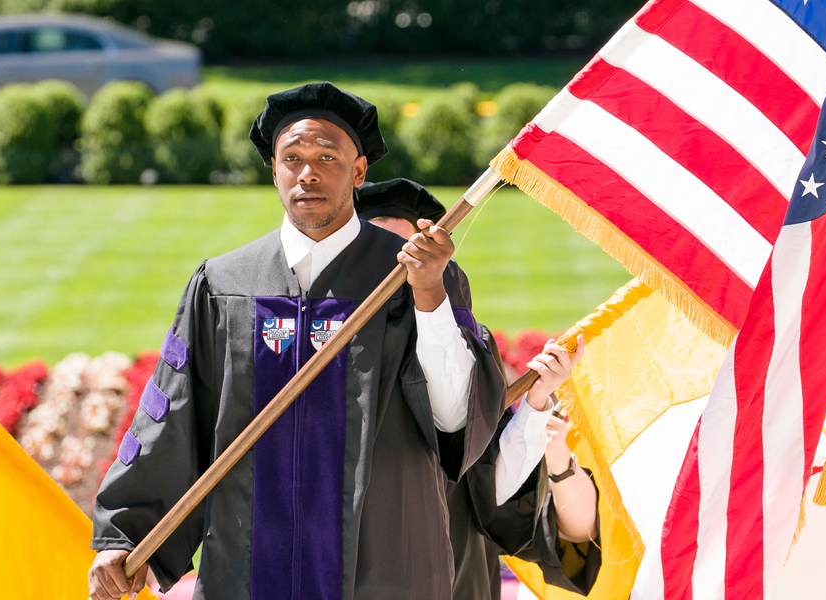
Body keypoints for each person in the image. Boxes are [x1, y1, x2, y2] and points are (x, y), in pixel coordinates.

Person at [88, 82, 578, 600]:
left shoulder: (416, 275)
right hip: (249, 567)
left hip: (387, 569)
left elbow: (457, 420)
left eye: (327, 156)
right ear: (273, 169)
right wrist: (124, 532)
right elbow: (172, 411)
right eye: (292, 157)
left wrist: (429, 295)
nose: (308, 172)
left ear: (359, 170)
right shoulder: (224, 284)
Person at [356, 178, 602, 598]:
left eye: (407, 255)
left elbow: (493, 485)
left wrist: (537, 404)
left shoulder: (465, 350)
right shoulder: (326, 350)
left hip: (452, 574)